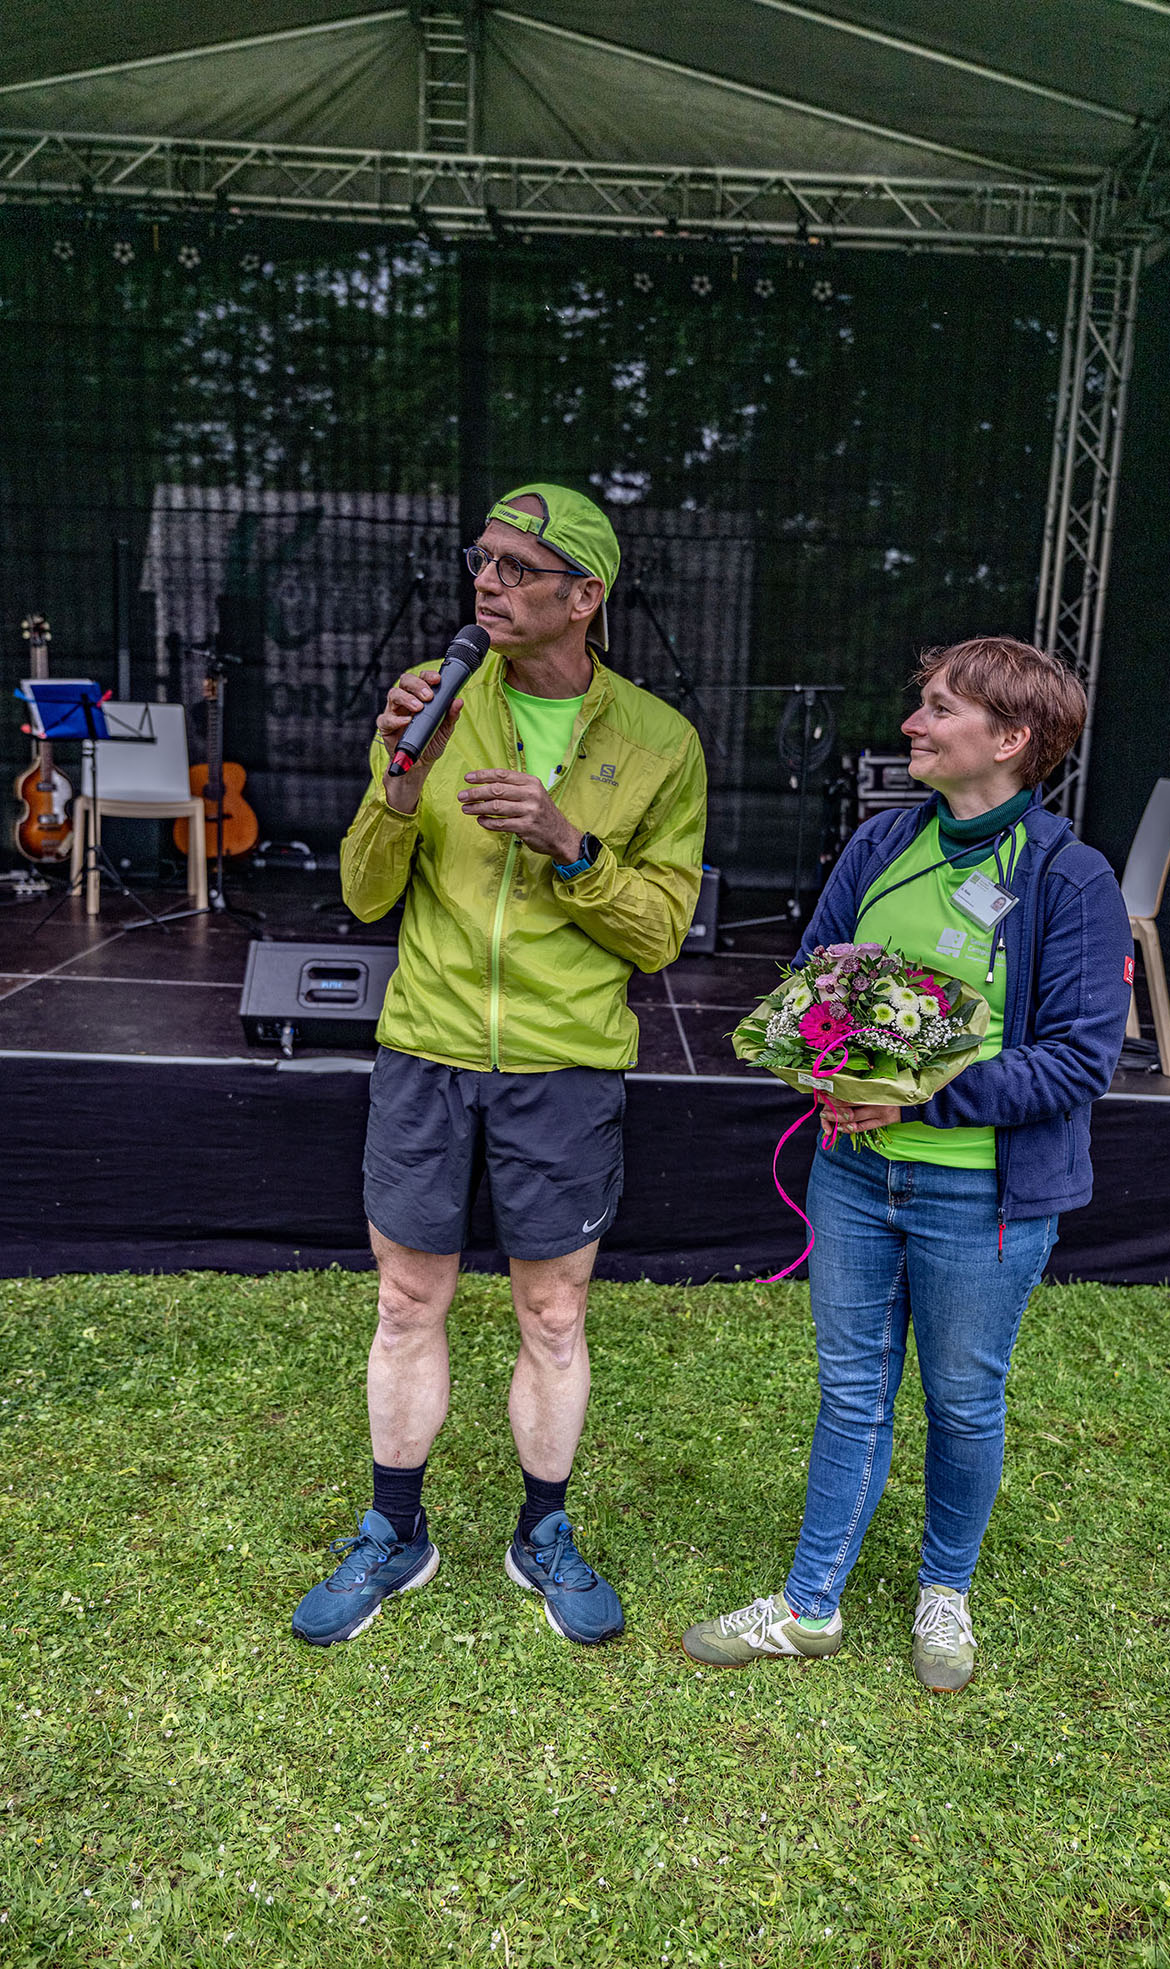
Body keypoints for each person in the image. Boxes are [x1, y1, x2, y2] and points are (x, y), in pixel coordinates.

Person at [292, 483, 707, 1649]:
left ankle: (543, 1533)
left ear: (585, 596)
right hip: (425, 1046)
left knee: (553, 1311)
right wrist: (397, 784)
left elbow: (659, 934)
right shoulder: (434, 697)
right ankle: (394, 1531)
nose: (486, 581)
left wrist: (567, 843)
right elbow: (364, 892)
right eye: (480, 559)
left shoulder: (659, 742)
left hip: (562, 1063)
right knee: (405, 1298)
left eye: (518, 567)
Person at [682, 637, 1132, 1691]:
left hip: (980, 1195)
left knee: (962, 1402)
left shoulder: (1068, 877)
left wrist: (916, 1092)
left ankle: (944, 1593)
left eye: (937, 709)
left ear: (1010, 738)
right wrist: (819, 1062)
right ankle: (809, 1606)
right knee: (850, 1392)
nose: (910, 725)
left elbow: (1078, 1060)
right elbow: (816, 975)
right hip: (852, 1176)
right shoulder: (882, 839)